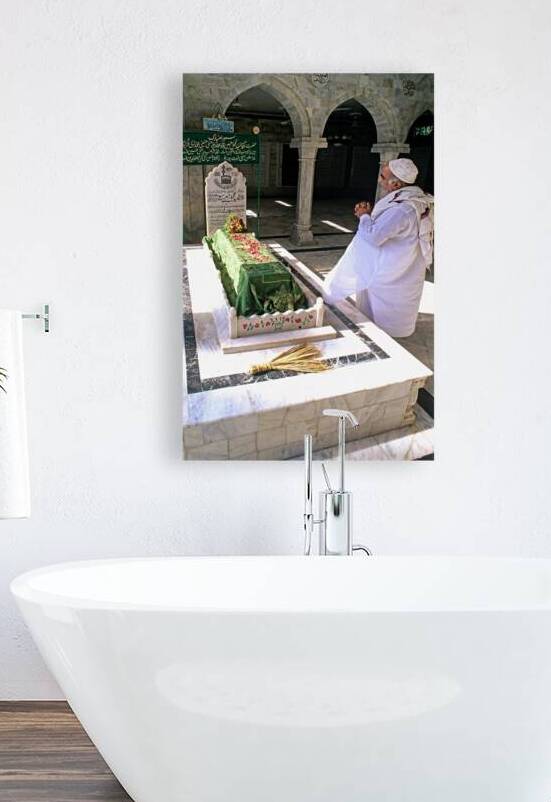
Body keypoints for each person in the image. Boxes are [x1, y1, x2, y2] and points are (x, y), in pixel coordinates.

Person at [323, 158, 434, 338]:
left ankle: (383, 335)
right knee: (400, 301)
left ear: (396, 183)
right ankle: (395, 329)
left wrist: (364, 216)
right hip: (406, 263)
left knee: (384, 301)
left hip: (392, 267)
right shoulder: (417, 199)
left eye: (382, 176)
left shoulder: (402, 209)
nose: (379, 180)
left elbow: (374, 237)